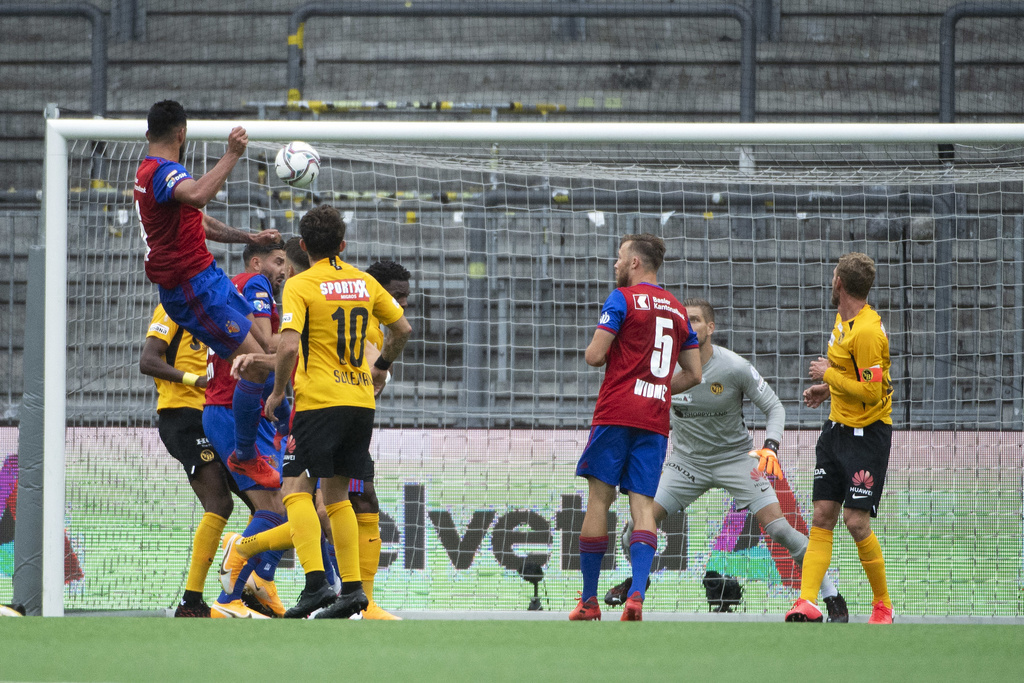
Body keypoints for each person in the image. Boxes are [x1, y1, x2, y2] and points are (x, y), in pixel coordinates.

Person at [604, 299, 848, 622]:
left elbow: (775, 408)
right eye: (683, 320)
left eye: (695, 320)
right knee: (633, 529)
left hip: (735, 460)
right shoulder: (663, 369)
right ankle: (639, 582)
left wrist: (770, 447)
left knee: (780, 531)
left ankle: (831, 596)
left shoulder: (734, 367)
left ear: (711, 328)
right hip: (686, 464)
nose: (688, 326)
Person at [222, 205, 412, 619]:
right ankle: (354, 591)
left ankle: (315, 585)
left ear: (303, 247)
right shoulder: (363, 282)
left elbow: (288, 346)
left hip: (319, 402)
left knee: (293, 493)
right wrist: (381, 368)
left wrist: (274, 395)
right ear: (343, 245)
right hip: (360, 403)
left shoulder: (301, 284)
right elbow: (403, 330)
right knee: (338, 496)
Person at [134, 100, 281, 490]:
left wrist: (249, 238)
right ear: (182, 133)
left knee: (267, 349)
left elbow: (197, 218)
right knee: (253, 364)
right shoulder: (160, 173)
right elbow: (198, 196)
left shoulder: (163, 174)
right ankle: (246, 455)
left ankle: (272, 422)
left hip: (208, 277)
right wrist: (232, 154)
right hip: (191, 289)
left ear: (150, 133)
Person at [570, 233, 702, 622]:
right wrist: (657, 387)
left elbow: (594, 356)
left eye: (619, 257)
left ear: (635, 263)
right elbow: (694, 374)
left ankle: (589, 601)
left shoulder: (623, 299)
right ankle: (637, 594)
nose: (615, 264)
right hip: (655, 419)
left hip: (615, 413)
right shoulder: (679, 310)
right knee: (642, 505)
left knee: (599, 499)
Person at [786, 252, 893, 624]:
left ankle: (882, 604)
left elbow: (873, 393)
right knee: (822, 514)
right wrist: (826, 391)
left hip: (868, 436)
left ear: (839, 284)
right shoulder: (843, 320)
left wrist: (829, 376)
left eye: (833, 276)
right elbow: (852, 380)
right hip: (835, 430)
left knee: (856, 521)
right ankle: (808, 602)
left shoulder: (865, 331)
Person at [139, 303, 252, 617]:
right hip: (182, 415)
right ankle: (191, 602)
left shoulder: (217, 310)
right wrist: (196, 381)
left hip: (218, 415)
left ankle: (242, 589)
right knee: (219, 502)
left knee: (264, 504)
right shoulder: (172, 308)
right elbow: (147, 360)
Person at [316, 259, 411, 620]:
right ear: (375, 289)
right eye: (395, 295)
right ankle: (347, 593)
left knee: (362, 501)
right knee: (319, 510)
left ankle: (360, 601)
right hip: (323, 418)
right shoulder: (366, 325)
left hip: (349, 422)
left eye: (404, 297)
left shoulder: (373, 325)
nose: (400, 304)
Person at [201, 241, 289, 618]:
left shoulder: (239, 284)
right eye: (277, 261)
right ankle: (228, 599)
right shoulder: (255, 282)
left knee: (282, 505)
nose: (283, 269)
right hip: (232, 408)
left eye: (286, 262)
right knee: (274, 508)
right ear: (257, 261)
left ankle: (259, 580)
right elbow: (271, 345)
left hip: (235, 407)